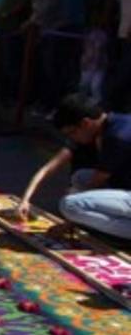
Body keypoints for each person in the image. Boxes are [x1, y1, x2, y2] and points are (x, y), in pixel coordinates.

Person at [50, 94, 131, 240]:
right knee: (81, 177)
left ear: (86, 123)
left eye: (72, 133)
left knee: (70, 206)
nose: (73, 138)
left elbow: (97, 181)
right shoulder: (116, 122)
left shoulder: (117, 136)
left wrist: (69, 223)